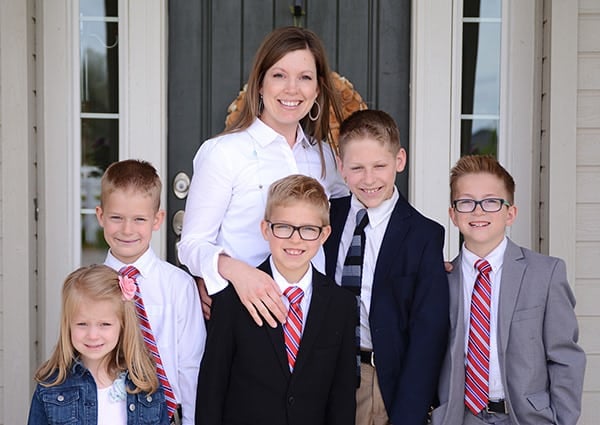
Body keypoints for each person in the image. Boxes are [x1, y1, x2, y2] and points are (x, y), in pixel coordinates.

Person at [177, 26, 348, 328]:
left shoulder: (325, 159)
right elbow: (191, 245)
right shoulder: (224, 152)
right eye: (279, 75)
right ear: (259, 83)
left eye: (305, 77)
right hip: (243, 319)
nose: (291, 89)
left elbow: (359, 216)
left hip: (311, 323)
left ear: (317, 89)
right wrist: (235, 271)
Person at [430, 155, 586, 425]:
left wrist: (562, 420)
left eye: (491, 201)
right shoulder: (440, 279)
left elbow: (565, 358)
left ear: (510, 213)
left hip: (526, 417)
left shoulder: (544, 274)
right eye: (466, 202)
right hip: (460, 417)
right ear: (453, 215)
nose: (478, 212)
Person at [195, 174, 357, 425]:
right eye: (283, 227)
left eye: (308, 229)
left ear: (324, 234)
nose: (295, 239)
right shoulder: (233, 299)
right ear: (265, 229)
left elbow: (342, 395)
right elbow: (211, 388)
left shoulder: (340, 305)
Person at [323, 109, 450, 425]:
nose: (369, 179)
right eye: (357, 168)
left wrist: (409, 414)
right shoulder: (325, 219)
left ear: (400, 160)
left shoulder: (423, 235)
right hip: (324, 377)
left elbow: (428, 335)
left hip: (378, 380)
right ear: (341, 167)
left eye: (380, 166)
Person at [96, 159, 206, 425]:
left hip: (164, 415)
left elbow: (191, 365)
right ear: (100, 216)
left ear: (157, 220)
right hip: (104, 415)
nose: (127, 230)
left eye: (139, 219)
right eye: (116, 218)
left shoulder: (179, 286)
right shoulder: (90, 287)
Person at [28, 264, 169, 424]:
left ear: (123, 326)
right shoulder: (51, 387)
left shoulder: (145, 384)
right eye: (82, 324)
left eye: (105, 324)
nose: (93, 335)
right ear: (68, 325)